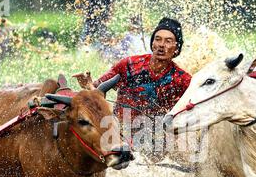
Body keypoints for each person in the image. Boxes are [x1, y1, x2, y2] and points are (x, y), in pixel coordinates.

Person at [73, 17, 192, 160]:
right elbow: (96, 91)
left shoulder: (182, 80)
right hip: (120, 131)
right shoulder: (129, 65)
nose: (161, 45)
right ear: (152, 43)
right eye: (158, 39)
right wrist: (87, 84)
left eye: (168, 41)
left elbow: (190, 111)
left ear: (176, 48)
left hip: (156, 139)